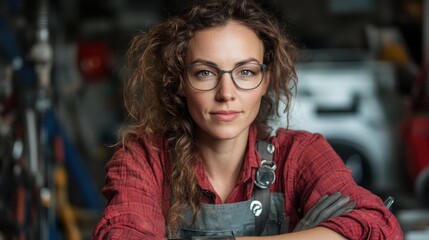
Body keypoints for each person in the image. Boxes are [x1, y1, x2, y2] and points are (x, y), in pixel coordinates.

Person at [92, 0, 403, 239]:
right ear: (179, 82)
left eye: (245, 72)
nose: (226, 93)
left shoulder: (299, 155)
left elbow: (378, 227)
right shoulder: (146, 159)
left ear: (265, 81)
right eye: (205, 72)